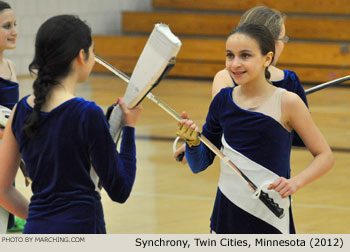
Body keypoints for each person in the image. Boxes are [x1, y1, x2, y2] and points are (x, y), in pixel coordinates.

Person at [176, 23, 333, 233]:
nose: (235, 63)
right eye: (230, 55)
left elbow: (325, 155)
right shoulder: (222, 100)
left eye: (245, 56)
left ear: (267, 59)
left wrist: (296, 183)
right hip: (227, 215)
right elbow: (199, 165)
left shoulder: (289, 102)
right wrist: (193, 143)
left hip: (271, 217)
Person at [0, 14, 142, 234]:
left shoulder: (20, 111)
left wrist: (43, 218)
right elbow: (120, 189)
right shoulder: (87, 114)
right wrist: (130, 129)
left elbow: (1, 190)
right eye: (93, 51)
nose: (94, 58)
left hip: (36, 232)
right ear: (81, 55)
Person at [174, 6, 307, 164]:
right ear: (272, 43)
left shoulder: (290, 81)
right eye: (283, 39)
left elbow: (230, 133)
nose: (284, 45)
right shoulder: (226, 78)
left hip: (274, 180)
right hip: (243, 178)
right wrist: (197, 146)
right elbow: (229, 131)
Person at [0, 0, 26, 233]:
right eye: (6, 26)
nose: (14, 31)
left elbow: (13, 114)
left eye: (15, 24)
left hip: (7, 148)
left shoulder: (10, 65)